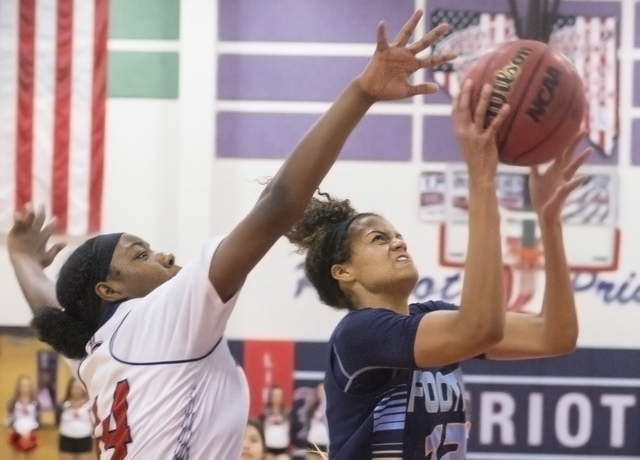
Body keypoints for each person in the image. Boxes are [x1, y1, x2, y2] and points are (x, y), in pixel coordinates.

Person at [6, 10, 455, 459]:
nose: (162, 255)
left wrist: (21, 258)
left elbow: (50, 307)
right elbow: (278, 203)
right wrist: (361, 92)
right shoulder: (164, 314)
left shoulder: (94, 352)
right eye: (140, 255)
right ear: (109, 289)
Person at [285, 78, 591, 459]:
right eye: (378, 239)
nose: (398, 241)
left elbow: (554, 336)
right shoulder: (359, 335)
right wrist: (481, 180)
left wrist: (549, 223)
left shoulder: (430, 318)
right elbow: (479, 327)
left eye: (396, 234)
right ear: (343, 272)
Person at [56, 378, 95, 460]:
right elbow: (57, 422)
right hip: (67, 440)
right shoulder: (62, 405)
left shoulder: (90, 405)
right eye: (73, 387)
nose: (76, 390)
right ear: (69, 388)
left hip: (84, 440)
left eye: (79, 387)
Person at [6, 376, 40, 460]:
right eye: (22, 386)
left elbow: (38, 419)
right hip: (16, 434)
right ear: (18, 387)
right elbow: (10, 419)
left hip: (31, 434)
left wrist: (31, 431)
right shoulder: (13, 403)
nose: (25, 388)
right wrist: (16, 430)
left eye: (27, 386)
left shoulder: (35, 403)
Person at [260, 385, 292, 460]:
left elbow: (291, 431)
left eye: (278, 395)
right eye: (274, 395)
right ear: (270, 397)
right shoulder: (264, 414)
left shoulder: (287, 413)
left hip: (282, 450)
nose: (276, 398)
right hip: (268, 450)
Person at [305, 383, 328, 460]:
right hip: (313, 443)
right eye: (319, 391)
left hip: (325, 444)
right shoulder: (312, 408)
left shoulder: (331, 409)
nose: (321, 393)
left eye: (323, 391)